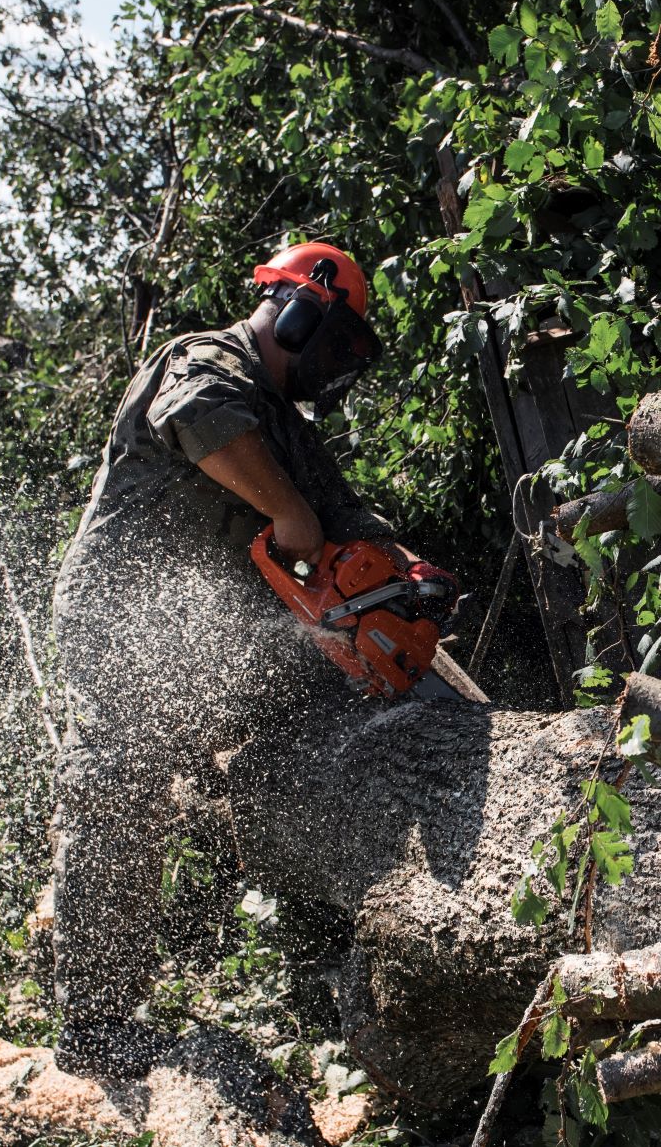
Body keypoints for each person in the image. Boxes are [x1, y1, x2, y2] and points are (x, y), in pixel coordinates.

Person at [49, 242, 448, 1078]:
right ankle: (92, 1027)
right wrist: (290, 513)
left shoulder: (290, 431)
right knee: (122, 791)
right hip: (123, 619)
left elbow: (346, 513)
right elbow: (203, 423)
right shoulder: (205, 360)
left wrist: (407, 571)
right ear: (299, 310)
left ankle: (327, 964)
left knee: (335, 721)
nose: (335, 368)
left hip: (225, 637)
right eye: (335, 344)